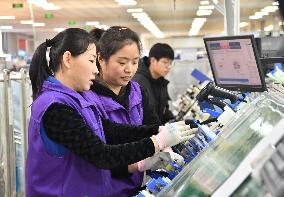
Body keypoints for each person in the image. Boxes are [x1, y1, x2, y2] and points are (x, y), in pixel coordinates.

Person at [26, 28, 197, 197]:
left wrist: (157, 131)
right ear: (68, 59)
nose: (95, 70)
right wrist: (157, 142)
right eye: (92, 61)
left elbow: (110, 130)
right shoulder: (55, 107)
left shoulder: (77, 100)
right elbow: (101, 155)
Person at [83, 26, 184, 196]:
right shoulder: (88, 99)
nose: (129, 69)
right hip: (105, 190)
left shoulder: (137, 91)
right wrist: (139, 164)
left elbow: (152, 127)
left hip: (136, 187)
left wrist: (165, 148)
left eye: (135, 62)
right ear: (101, 58)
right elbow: (98, 157)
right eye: (122, 63)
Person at [133, 43, 175, 124]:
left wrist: (174, 121)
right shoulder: (138, 81)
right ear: (153, 61)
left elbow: (164, 109)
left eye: (170, 63)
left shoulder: (161, 82)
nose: (168, 67)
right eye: (165, 62)